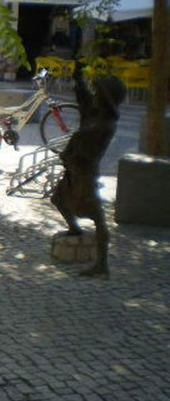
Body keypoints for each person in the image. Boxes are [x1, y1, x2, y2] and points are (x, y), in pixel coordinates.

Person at [50, 73, 126, 278]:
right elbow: (84, 102)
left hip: (85, 172)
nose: (95, 95)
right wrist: (78, 80)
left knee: (96, 215)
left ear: (106, 97)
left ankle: (102, 265)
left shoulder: (104, 124)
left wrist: (70, 153)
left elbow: (85, 146)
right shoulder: (94, 114)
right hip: (75, 169)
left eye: (98, 92)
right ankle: (74, 228)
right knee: (58, 198)